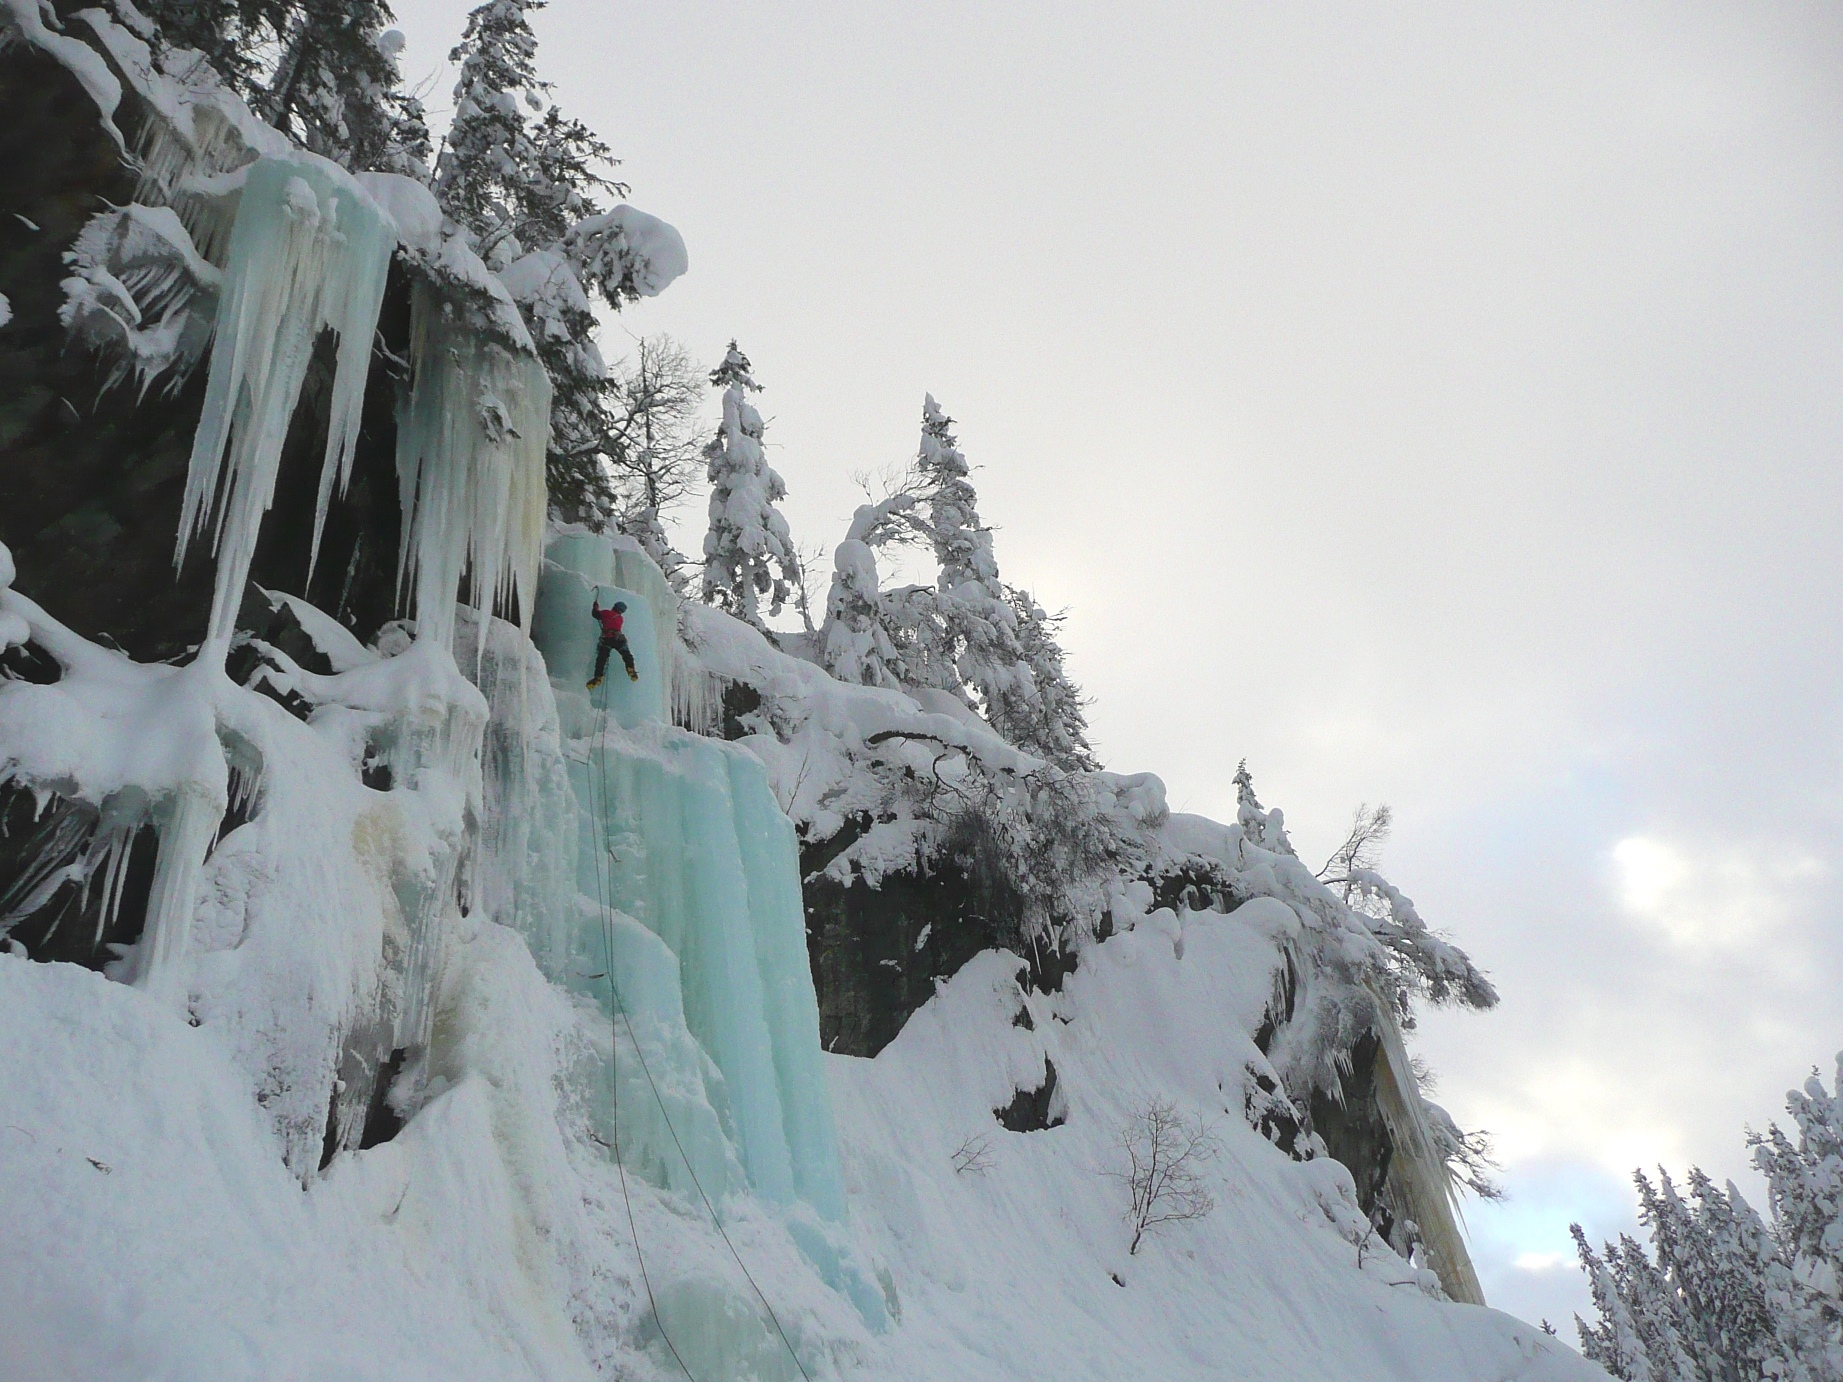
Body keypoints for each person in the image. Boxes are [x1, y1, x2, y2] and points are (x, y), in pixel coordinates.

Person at [587, 596, 638, 688]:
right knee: (626, 654)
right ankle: (630, 668)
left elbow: (595, 614)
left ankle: (598, 677)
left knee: (601, 659)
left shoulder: (607, 613)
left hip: (607, 640)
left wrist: (595, 606)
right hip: (619, 639)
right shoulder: (620, 619)